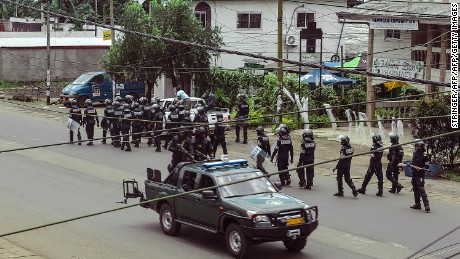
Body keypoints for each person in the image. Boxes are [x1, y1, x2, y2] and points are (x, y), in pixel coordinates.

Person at [404, 140, 431, 212]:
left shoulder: (425, 156)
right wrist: (411, 165)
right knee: (415, 189)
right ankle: (417, 204)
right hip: (414, 174)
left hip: (420, 175)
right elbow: (413, 162)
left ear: (420, 147)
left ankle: (426, 205)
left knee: (421, 189)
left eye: (417, 146)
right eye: (415, 146)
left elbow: (427, 167)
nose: (415, 147)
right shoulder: (415, 154)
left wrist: (422, 168)